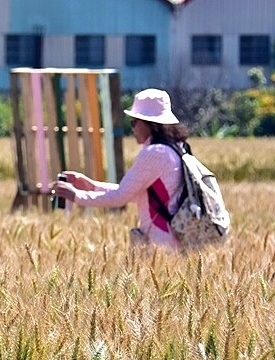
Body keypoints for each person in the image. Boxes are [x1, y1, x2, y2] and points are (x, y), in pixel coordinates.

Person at [52, 88, 189, 249]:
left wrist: (77, 196)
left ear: (150, 124)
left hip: (160, 242)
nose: (133, 129)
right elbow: (135, 193)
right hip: (172, 240)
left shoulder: (155, 153)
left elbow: (120, 197)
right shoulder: (176, 148)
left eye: (134, 122)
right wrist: (92, 186)